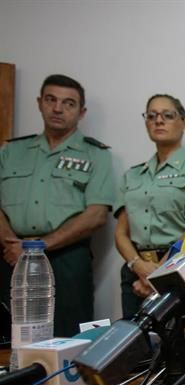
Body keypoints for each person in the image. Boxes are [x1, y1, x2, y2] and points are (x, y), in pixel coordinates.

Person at [0, 74, 115, 336]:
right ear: (39, 103)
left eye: (68, 103)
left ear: (81, 112)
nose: (58, 108)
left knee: (68, 338)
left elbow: (96, 215)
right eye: (51, 100)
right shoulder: (11, 152)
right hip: (9, 255)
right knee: (8, 336)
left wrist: (37, 247)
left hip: (65, 259)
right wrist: (12, 244)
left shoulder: (96, 155)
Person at [114, 94, 185, 318]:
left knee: (181, 337)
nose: (158, 121)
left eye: (168, 115)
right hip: (135, 273)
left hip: (180, 268)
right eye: (151, 116)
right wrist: (139, 266)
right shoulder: (132, 175)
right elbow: (121, 233)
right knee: (132, 337)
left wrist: (159, 273)